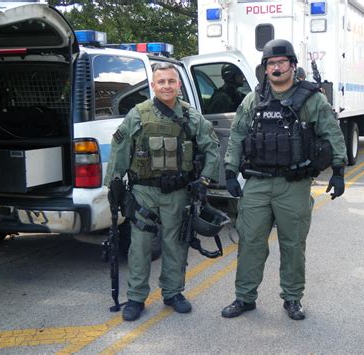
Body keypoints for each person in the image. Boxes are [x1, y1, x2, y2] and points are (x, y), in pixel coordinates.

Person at [221, 39, 347, 321]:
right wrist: (230, 171)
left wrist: (338, 171)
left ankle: (292, 298)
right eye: (271, 64)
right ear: (264, 69)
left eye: (281, 63)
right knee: (250, 242)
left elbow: (332, 134)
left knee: (292, 245)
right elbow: (238, 135)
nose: (276, 68)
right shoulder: (253, 99)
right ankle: (245, 297)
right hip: (257, 184)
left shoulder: (312, 99)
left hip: (294, 185)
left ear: (292, 65)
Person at [104, 62, 220, 321]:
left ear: (178, 85)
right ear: (153, 86)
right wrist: (113, 183)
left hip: (178, 193)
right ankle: (135, 297)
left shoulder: (191, 116)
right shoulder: (137, 114)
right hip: (144, 191)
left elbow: (211, 148)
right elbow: (120, 148)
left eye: (171, 81)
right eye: (161, 82)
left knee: (175, 243)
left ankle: (173, 292)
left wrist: (204, 181)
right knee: (140, 245)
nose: (166, 86)